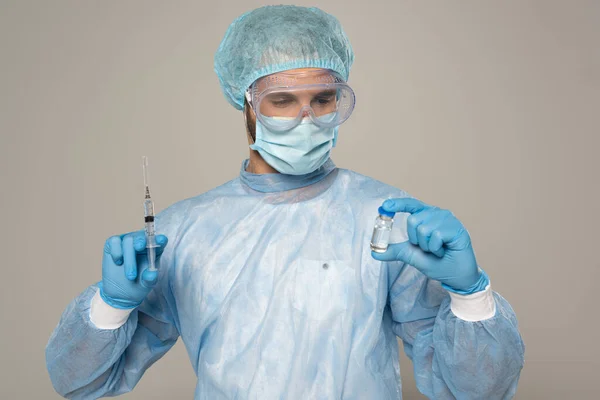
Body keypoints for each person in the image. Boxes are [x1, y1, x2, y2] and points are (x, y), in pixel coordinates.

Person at [46, 5, 525, 399]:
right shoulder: (186, 231)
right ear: (246, 101)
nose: (306, 119)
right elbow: (81, 384)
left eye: (323, 99)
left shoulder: (387, 218)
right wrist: (109, 308)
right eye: (282, 101)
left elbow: (476, 391)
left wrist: (471, 297)